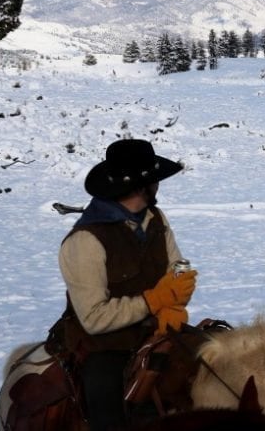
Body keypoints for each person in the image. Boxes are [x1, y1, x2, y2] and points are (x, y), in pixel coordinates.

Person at [53, 139, 198, 430]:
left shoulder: (155, 218)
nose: (159, 185)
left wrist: (175, 300)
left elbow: (176, 268)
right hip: (104, 345)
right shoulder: (84, 242)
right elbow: (94, 318)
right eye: (154, 179)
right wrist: (154, 301)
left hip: (157, 331)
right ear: (141, 186)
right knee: (107, 401)